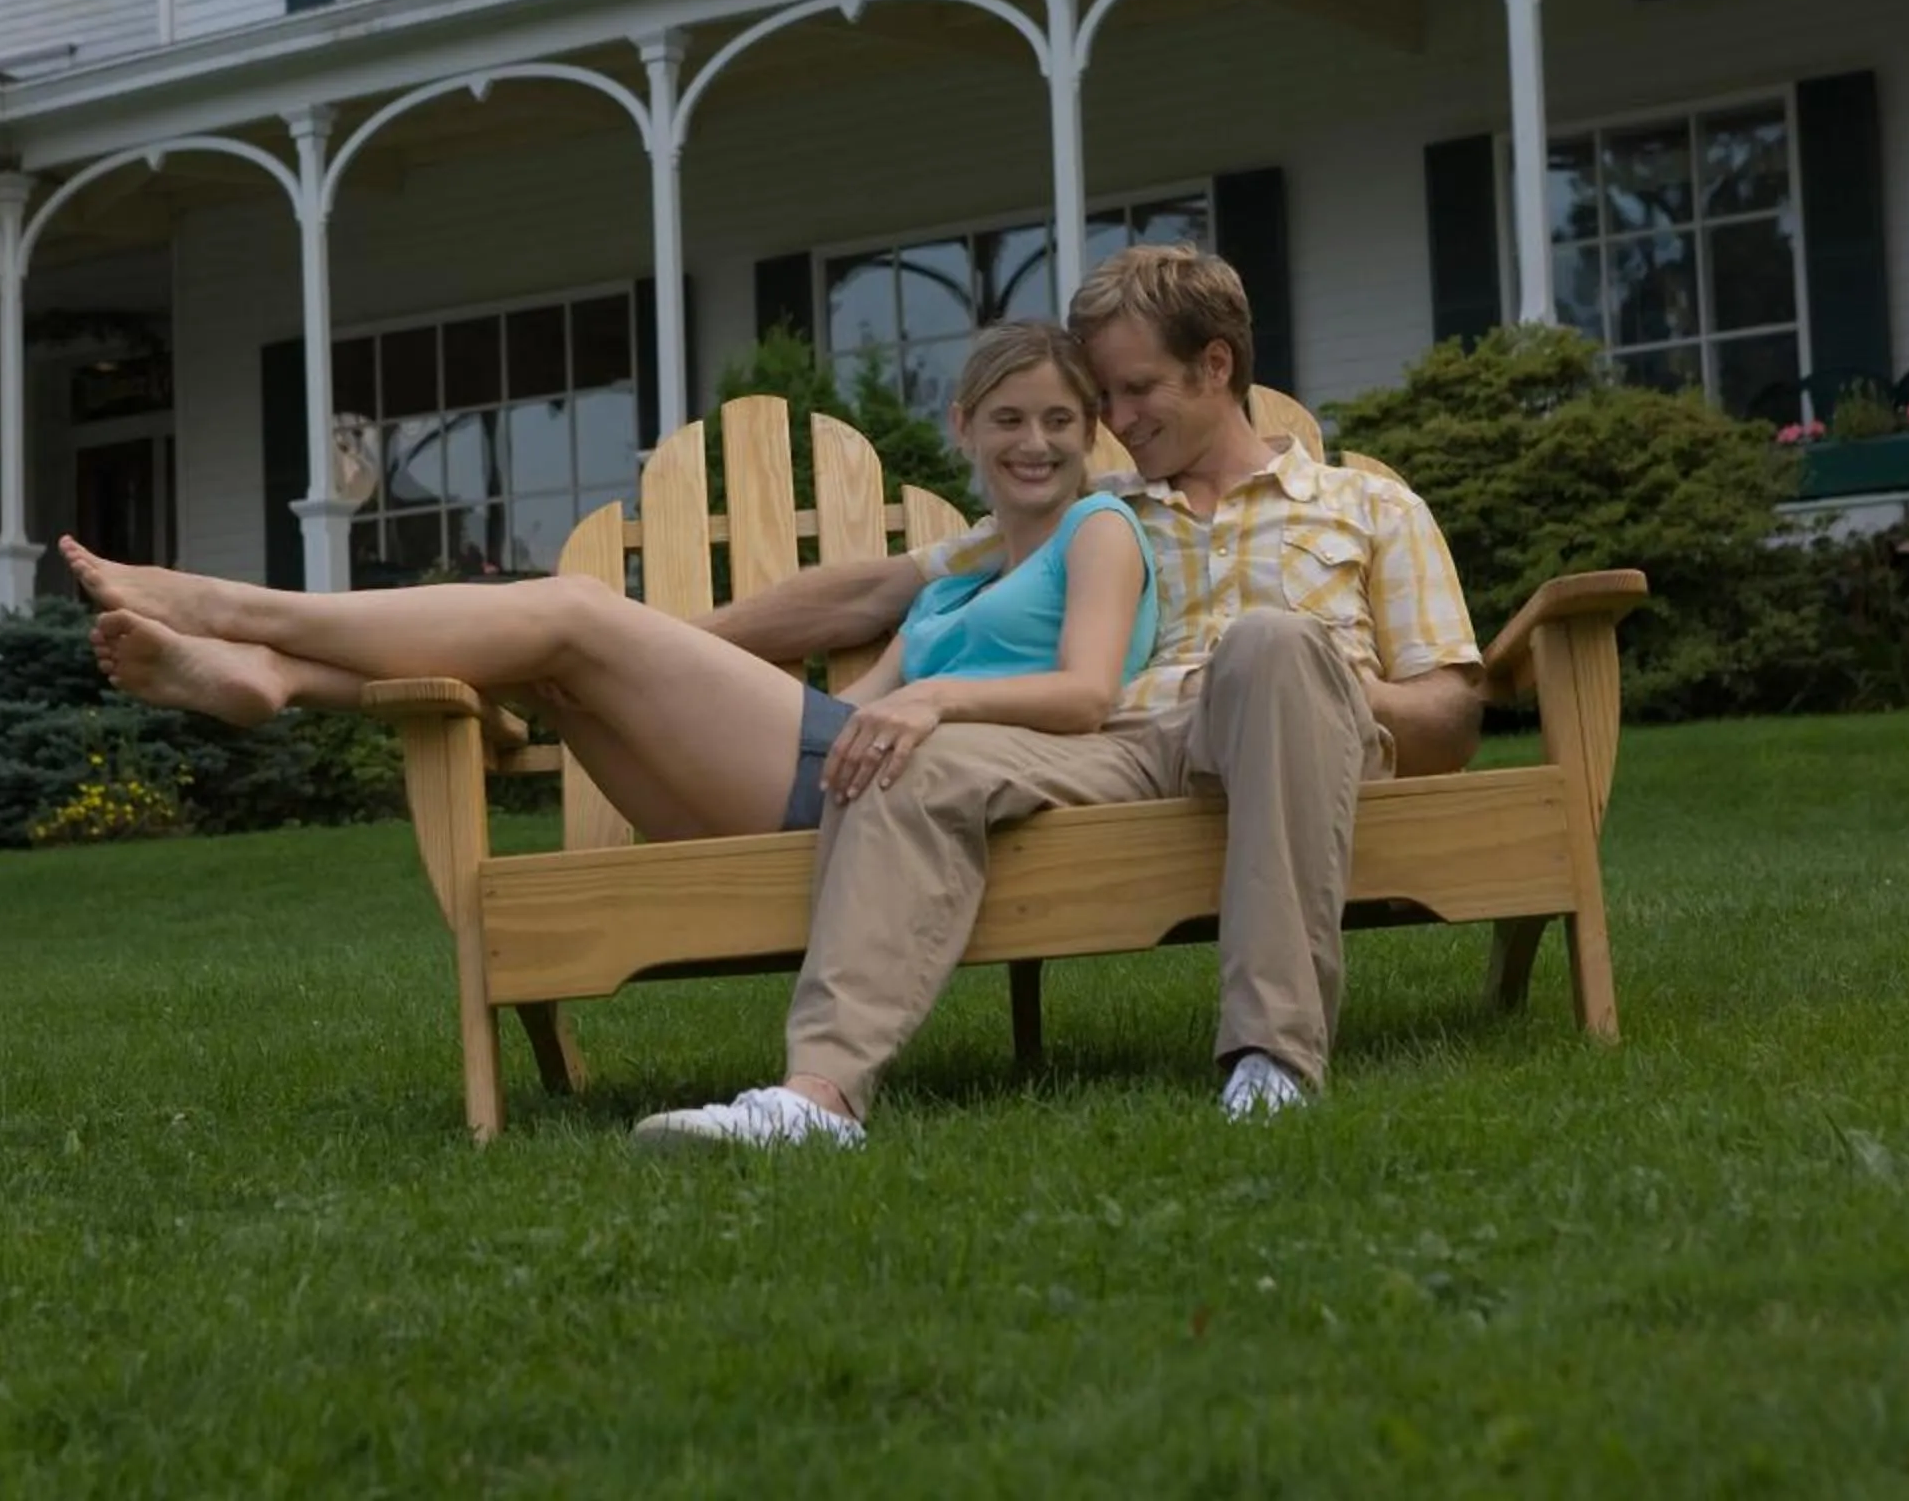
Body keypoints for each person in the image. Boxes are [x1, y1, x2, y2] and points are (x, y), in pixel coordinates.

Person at [637, 245, 1487, 1149]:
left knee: (1271, 642)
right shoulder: (1094, 509)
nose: (1114, 420)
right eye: (1105, 399)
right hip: (1121, 741)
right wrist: (662, 651)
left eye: (1135, 391)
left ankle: (1272, 1063)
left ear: (1215, 366)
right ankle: (819, 1100)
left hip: (1294, 728)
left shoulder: (1367, 508)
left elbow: (1453, 718)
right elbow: (873, 592)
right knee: (904, 755)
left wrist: (1348, 690)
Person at [71, 321, 1160, 845]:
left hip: (890, 799)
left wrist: (935, 697)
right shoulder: (960, 574)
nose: (1037, 443)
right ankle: (278, 677)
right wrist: (671, 660)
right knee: (560, 661)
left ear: (1090, 432)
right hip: (824, 776)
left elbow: (1085, 693)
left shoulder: (1099, 528)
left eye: (1061, 420)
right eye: (1010, 419)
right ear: (964, 429)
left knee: (579, 612)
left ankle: (233, 610)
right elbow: (851, 678)